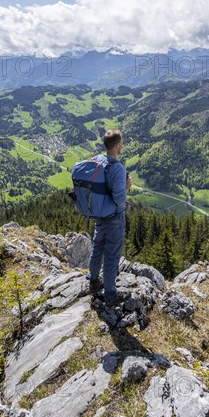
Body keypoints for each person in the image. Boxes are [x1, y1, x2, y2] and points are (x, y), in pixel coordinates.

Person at [86, 129, 132, 306]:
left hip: (99, 215)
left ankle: (93, 280)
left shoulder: (99, 160)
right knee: (112, 255)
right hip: (114, 218)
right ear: (118, 145)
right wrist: (126, 187)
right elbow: (120, 200)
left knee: (98, 248)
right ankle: (110, 294)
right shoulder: (118, 168)